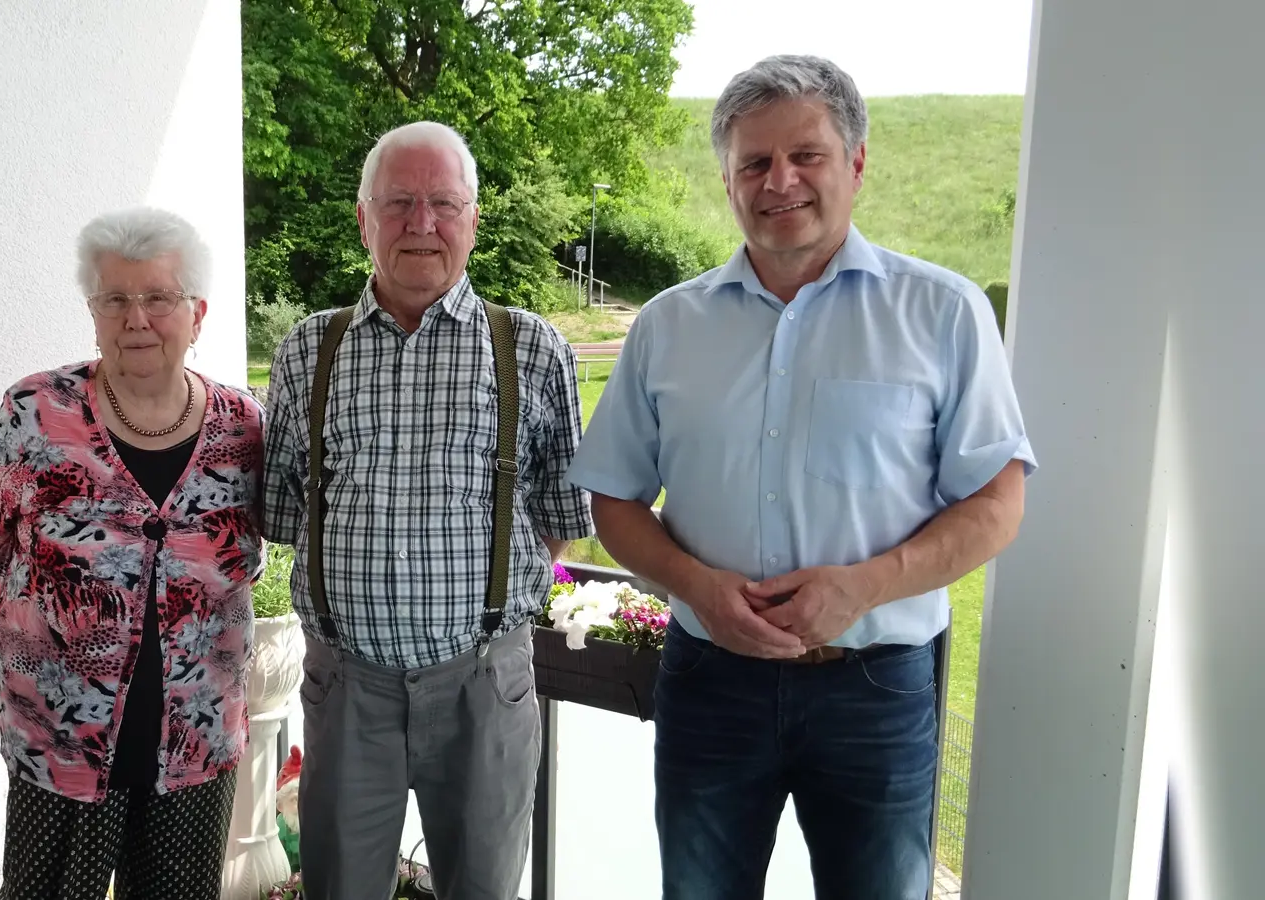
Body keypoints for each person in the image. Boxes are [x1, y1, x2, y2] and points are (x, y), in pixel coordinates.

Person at [565, 55, 1035, 899]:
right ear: (728, 179)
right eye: (753, 162)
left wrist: (868, 585)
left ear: (855, 163)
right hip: (711, 682)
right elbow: (613, 497)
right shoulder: (668, 326)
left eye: (805, 155)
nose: (779, 180)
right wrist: (697, 587)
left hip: (875, 691)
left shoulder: (942, 312)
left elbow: (998, 501)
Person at [262, 121, 593, 900]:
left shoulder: (534, 350)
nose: (422, 223)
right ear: (363, 218)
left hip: (485, 685)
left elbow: (557, 516)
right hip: (347, 692)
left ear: (473, 220)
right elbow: (281, 511)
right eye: (400, 203)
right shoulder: (309, 350)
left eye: (443, 203)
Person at [0, 206, 264, 900]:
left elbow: (253, 551)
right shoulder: (35, 413)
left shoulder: (243, 425)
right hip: (59, 734)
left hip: (194, 737)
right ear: (93, 313)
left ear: (198, 313)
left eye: (158, 298)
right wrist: (34, 639)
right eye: (115, 300)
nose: (138, 319)